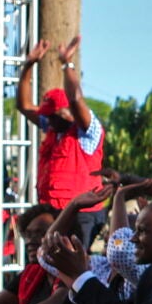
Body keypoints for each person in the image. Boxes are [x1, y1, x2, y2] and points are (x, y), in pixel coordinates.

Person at [16, 36, 106, 243]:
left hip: (82, 215)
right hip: (54, 212)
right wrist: (28, 65)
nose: (48, 120)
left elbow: (74, 98)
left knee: (74, 259)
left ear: (67, 113)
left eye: (52, 116)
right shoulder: (53, 128)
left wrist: (67, 64)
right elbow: (24, 105)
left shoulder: (87, 132)